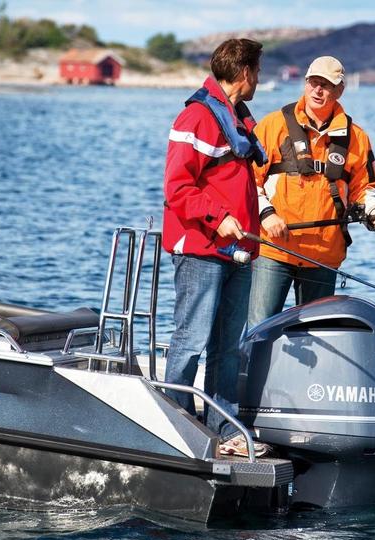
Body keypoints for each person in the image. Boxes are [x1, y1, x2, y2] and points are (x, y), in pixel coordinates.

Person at [162, 39, 269, 457]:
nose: (258, 79)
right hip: (203, 251)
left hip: (238, 252)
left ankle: (223, 433)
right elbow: (178, 188)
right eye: (257, 71)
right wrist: (218, 217)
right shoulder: (196, 118)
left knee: (227, 348)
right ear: (245, 72)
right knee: (191, 341)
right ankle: (175, 429)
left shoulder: (240, 119)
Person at [248, 56, 375, 327]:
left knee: (315, 335)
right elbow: (248, 180)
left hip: (324, 254)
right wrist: (266, 214)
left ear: (339, 90)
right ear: (305, 84)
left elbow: (364, 189)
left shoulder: (356, 137)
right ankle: (251, 371)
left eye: (326, 85)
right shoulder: (272, 126)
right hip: (273, 249)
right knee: (260, 329)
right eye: (314, 82)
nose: (318, 90)